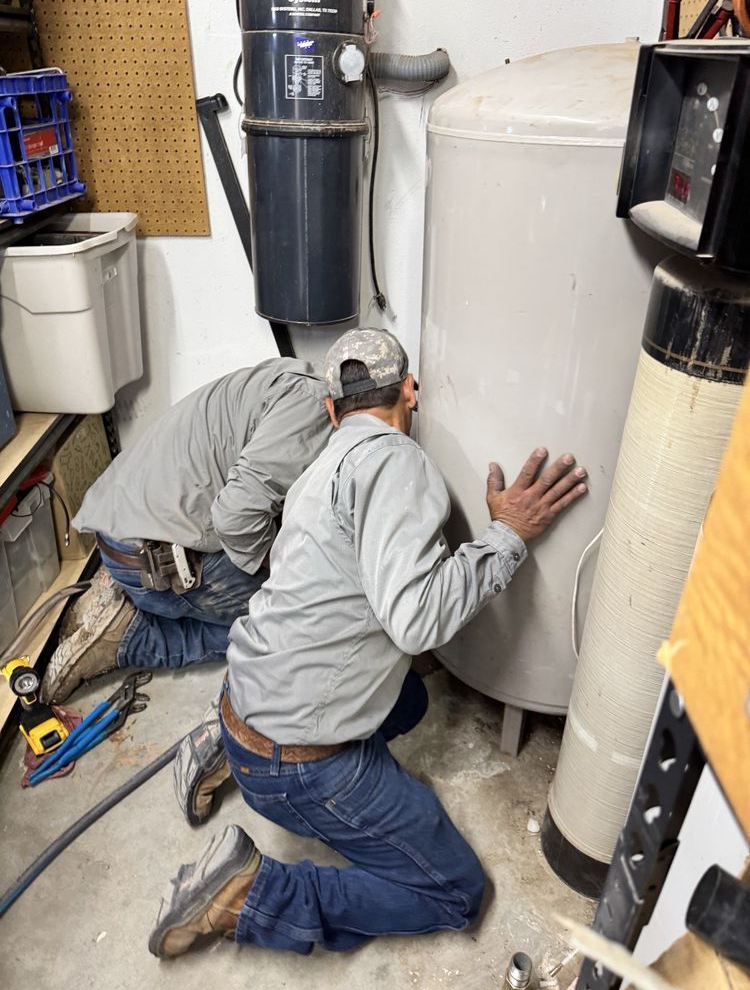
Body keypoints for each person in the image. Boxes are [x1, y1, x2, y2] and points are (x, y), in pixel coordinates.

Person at [147, 328, 588, 959]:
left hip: (242, 698)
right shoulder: (398, 461)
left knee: (408, 702)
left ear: (332, 410)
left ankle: (223, 745)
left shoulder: (318, 469)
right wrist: (506, 534)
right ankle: (250, 895)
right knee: (457, 892)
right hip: (294, 762)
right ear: (411, 391)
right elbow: (416, 621)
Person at [42, 358, 331, 706]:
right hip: (158, 562)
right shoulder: (314, 413)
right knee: (311, 626)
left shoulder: (293, 379)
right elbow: (236, 519)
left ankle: (125, 596)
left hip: (120, 526)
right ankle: (131, 637)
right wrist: (289, 578)